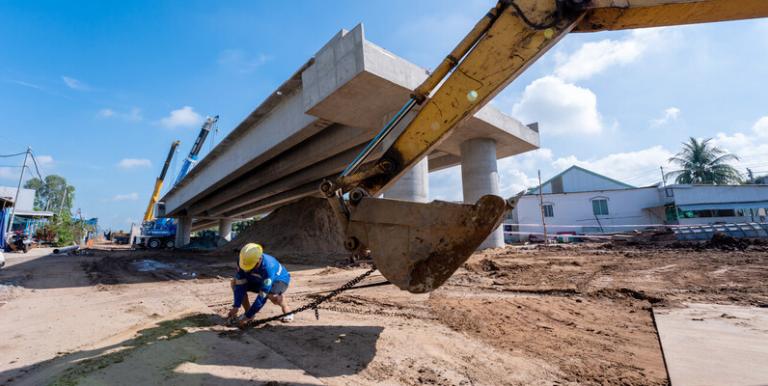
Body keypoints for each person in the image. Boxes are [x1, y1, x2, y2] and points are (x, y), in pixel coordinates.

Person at [227, 243, 292, 327]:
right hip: (259, 279)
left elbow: (263, 295)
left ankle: (286, 309)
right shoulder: (242, 260)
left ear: (259, 259)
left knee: (272, 295)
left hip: (279, 279)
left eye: (249, 267)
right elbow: (240, 285)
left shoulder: (268, 266)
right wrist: (236, 306)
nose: (246, 270)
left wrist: (247, 316)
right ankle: (249, 313)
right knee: (235, 283)